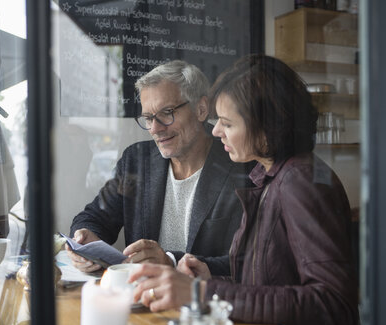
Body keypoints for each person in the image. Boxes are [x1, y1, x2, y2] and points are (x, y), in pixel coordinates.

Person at [128, 54, 359, 325]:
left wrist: (200, 292)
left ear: (265, 127)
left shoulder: (300, 183)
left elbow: (332, 304)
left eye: (227, 123)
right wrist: (210, 275)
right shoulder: (269, 176)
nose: (216, 132)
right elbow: (269, 282)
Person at [68, 60, 253, 272]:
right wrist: (85, 237)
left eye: (167, 112)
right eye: (148, 117)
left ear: (201, 109)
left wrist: (171, 262)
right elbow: (93, 216)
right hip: (142, 298)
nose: (155, 128)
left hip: (203, 300)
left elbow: (247, 262)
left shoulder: (242, 166)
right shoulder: (137, 161)